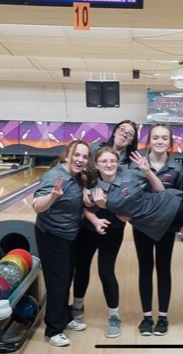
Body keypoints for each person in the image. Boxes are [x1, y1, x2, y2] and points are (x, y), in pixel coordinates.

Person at [72, 120, 138, 338]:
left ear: (118, 164)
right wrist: (91, 208)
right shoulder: (89, 177)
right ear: (96, 163)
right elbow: (82, 202)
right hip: (87, 228)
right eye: (122, 130)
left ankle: (114, 315)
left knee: (106, 270)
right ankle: (78, 305)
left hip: (114, 228)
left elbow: (132, 202)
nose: (109, 164)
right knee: (81, 267)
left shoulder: (127, 174)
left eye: (130, 133)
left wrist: (121, 211)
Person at [33, 141, 90, 348]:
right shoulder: (54, 177)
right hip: (52, 236)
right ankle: (53, 330)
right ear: (67, 155)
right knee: (58, 282)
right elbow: (37, 206)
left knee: (66, 279)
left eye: (85, 157)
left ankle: (64, 317)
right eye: (77, 155)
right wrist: (52, 196)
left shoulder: (76, 176)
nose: (80, 160)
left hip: (69, 235)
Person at [132, 124, 183, 336]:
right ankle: (146, 317)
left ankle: (162, 316)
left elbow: (180, 199)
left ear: (170, 142)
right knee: (145, 268)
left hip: (166, 227)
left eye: (164, 137)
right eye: (155, 137)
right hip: (142, 226)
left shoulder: (178, 169)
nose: (160, 141)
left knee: (163, 268)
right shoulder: (136, 165)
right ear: (149, 140)